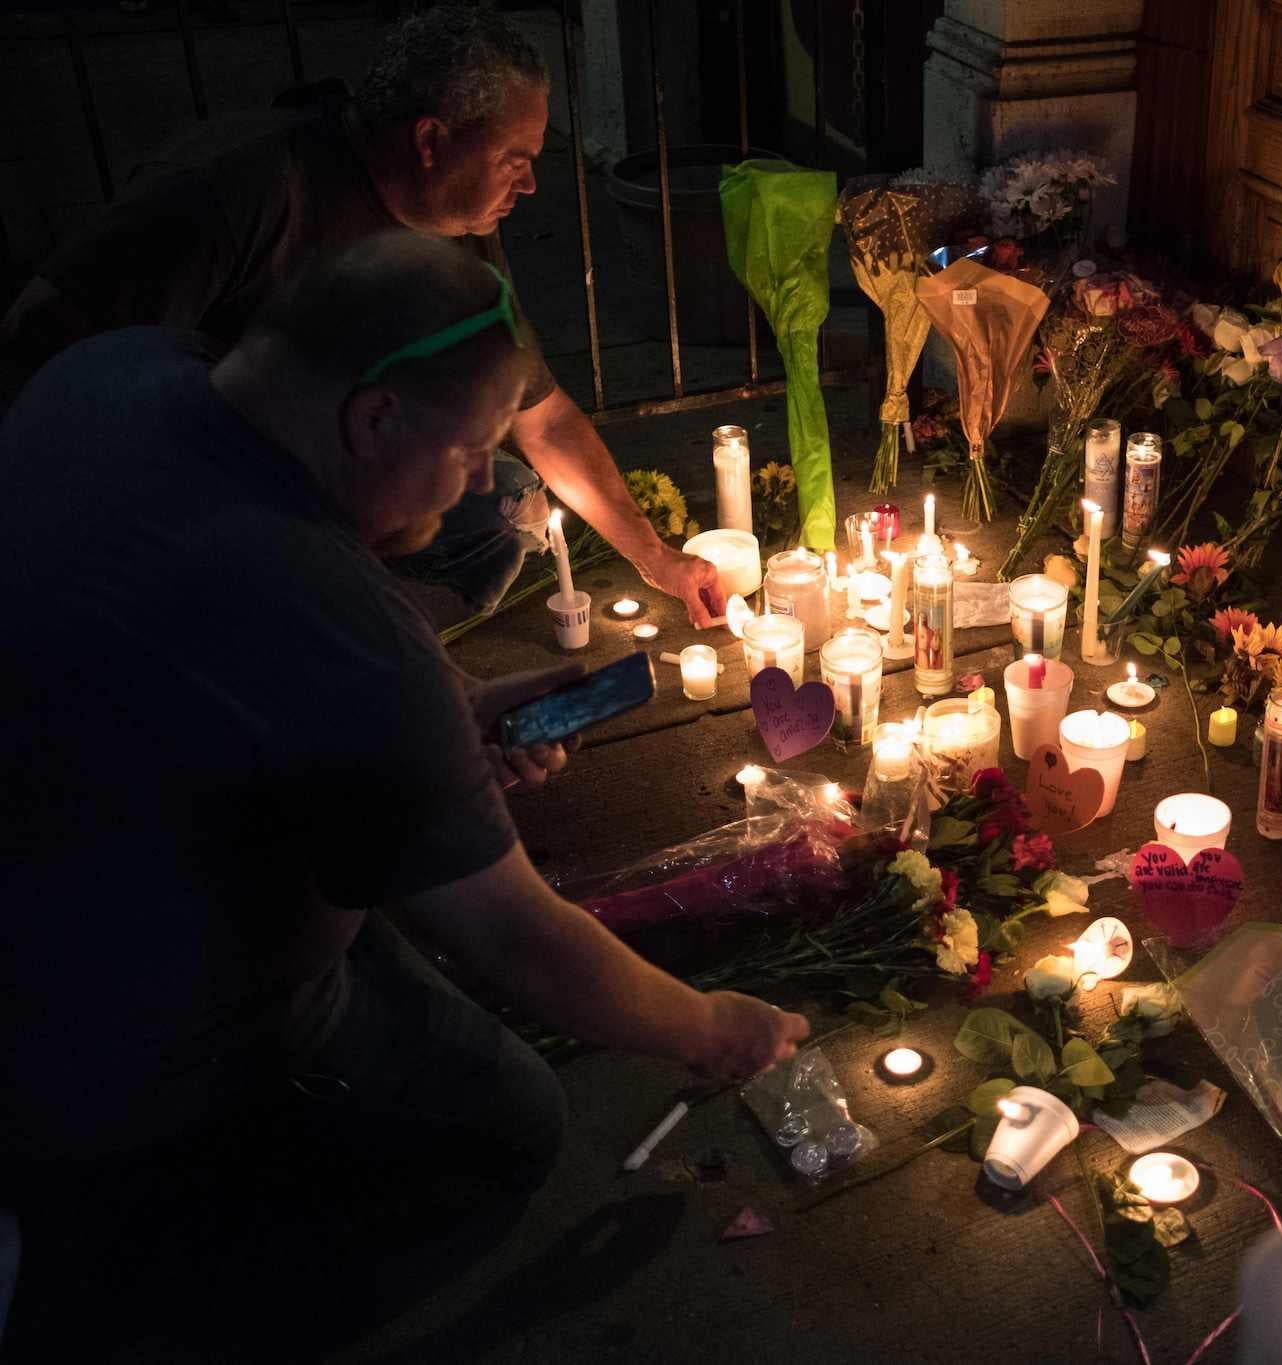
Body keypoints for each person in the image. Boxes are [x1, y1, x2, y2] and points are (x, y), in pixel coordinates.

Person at [0, 232, 807, 1356]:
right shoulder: (346, 640)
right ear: (373, 418)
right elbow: (522, 942)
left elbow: (212, 667)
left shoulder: (113, 374)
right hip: (135, 1022)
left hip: (79, 839)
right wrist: (712, 1028)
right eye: (475, 449)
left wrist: (446, 717)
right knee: (500, 1126)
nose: (485, 482)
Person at [0, 3, 724, 624]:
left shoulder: (460, 223)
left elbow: (541, 417)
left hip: (343, 474)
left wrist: (658, 559)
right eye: (513, 159)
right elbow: (41, 336)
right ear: (431, 142)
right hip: (196, 494)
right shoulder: (243, 189)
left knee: (503, 512)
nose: (532, 183)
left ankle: (353, 620)